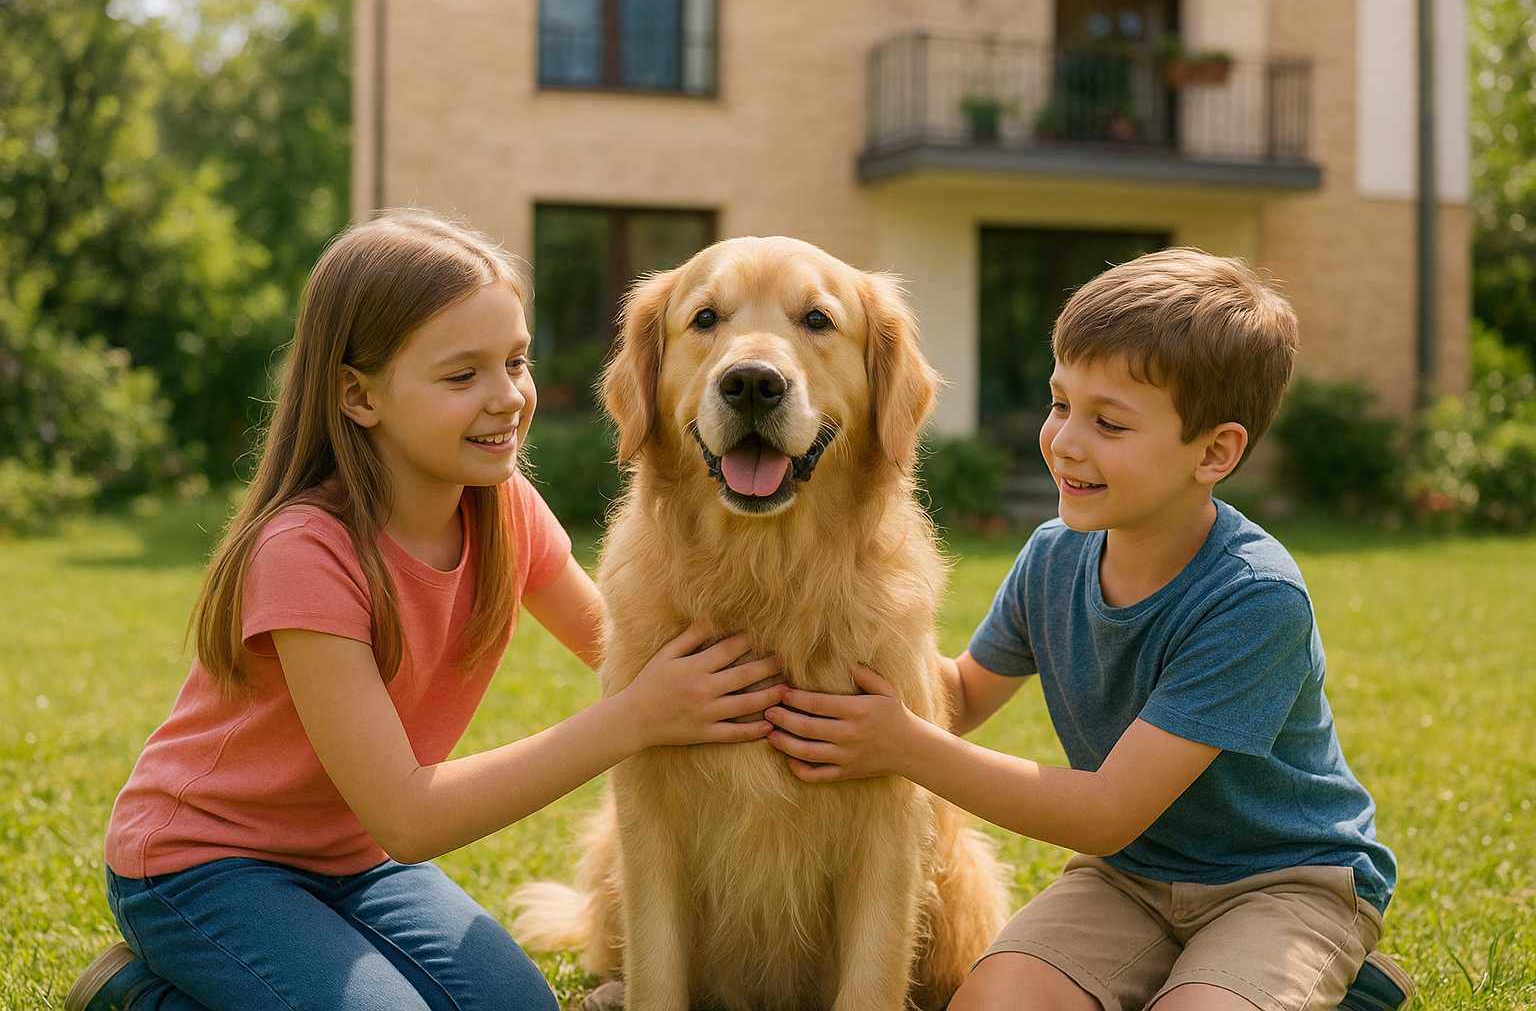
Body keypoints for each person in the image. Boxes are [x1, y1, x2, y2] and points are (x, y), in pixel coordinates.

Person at [66, 211, 788, 1011]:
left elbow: (621, 650)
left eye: (516, 362)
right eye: (462, 376)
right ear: (357, 394)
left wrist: (794, 683)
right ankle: (131, 994)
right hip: (205, 863)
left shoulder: (503, 505)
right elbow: (409, 817)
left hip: (352, 857)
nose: (508, 398)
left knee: (522, 1007)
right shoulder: (305, 550)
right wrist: (636, 717)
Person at [763, 248, 1411, 1011]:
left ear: (1215, 452)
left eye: (1108, 422)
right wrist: (822, 655)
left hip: (1279, 884)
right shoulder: (1053, 557)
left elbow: (1104, 813)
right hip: (1130, 880)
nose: (1066, 440)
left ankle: (1342, 984)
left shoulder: (1252, 598)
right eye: (1059, 403)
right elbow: (962, 693)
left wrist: (903, 744)